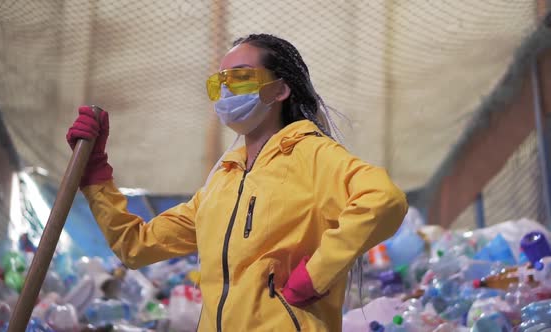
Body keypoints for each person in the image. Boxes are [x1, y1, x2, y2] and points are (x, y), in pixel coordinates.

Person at [67, 33, 408, 332]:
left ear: (280, 89)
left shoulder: (312, 153)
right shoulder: (221, 183)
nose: (227, 90)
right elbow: (136, 246)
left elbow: (382, 199)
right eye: (220, 83)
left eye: (242, 77)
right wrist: (96, 176)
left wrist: (317, 274)